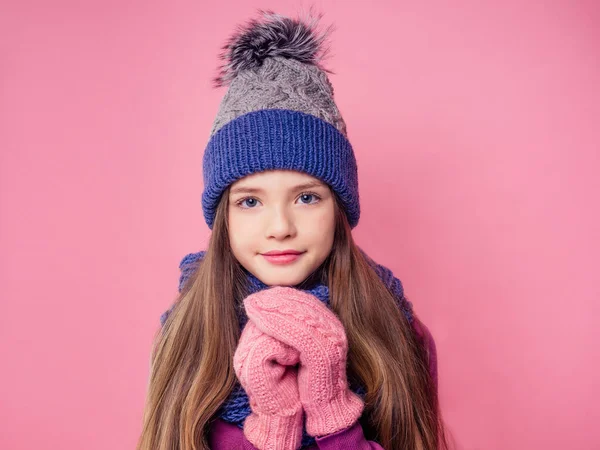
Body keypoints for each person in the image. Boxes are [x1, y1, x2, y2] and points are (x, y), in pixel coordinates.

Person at [137, 9, 450, 450]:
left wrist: (332, 410)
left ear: (338, 206)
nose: (280, 227)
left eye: (307, 197)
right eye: (249, 202)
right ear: (223, 218)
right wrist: (277, 425)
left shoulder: (396, 330)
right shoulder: (185, 334)